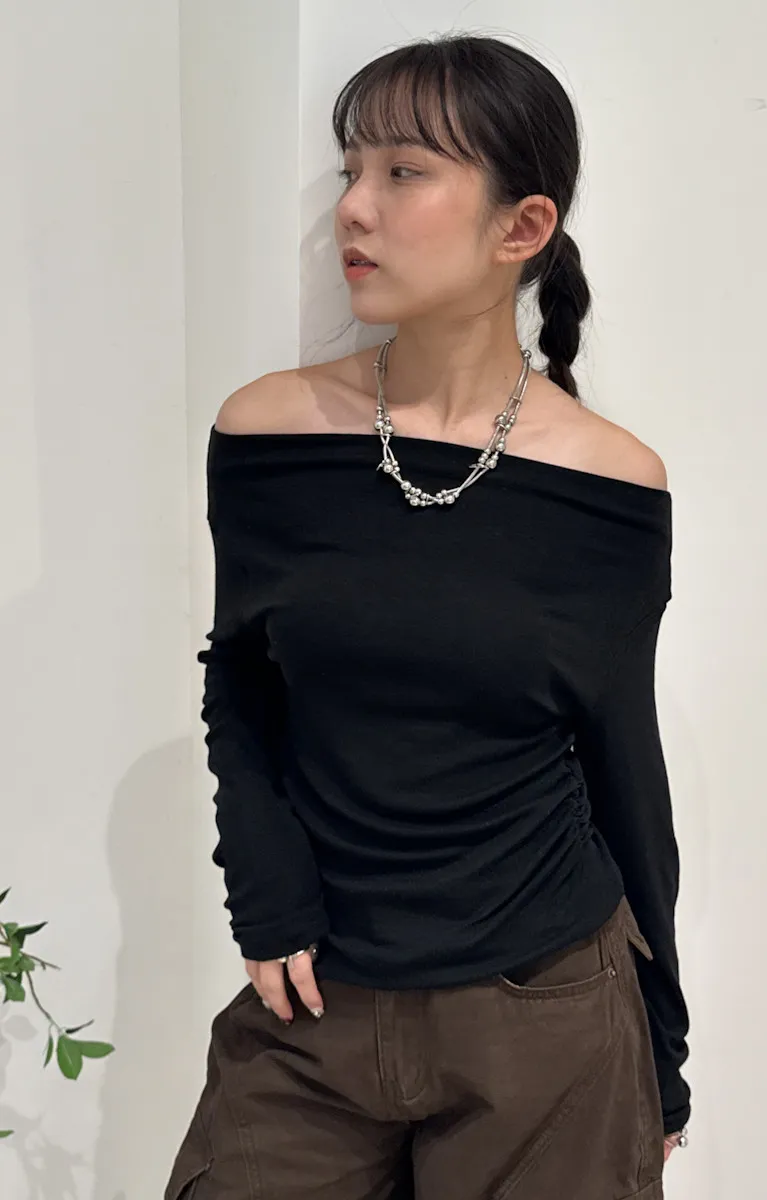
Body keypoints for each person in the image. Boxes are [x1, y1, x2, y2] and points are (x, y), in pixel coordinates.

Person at [164, 31, 691, 1200]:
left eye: (403, 172)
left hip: (546, 1012)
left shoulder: (612, 485)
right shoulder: (268, 434)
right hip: (311, 1006)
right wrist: (263, 886)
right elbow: (241, 675)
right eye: (351, 170)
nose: (353, 208)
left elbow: (622, 757)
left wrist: (663, 1041)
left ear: (522, 227)